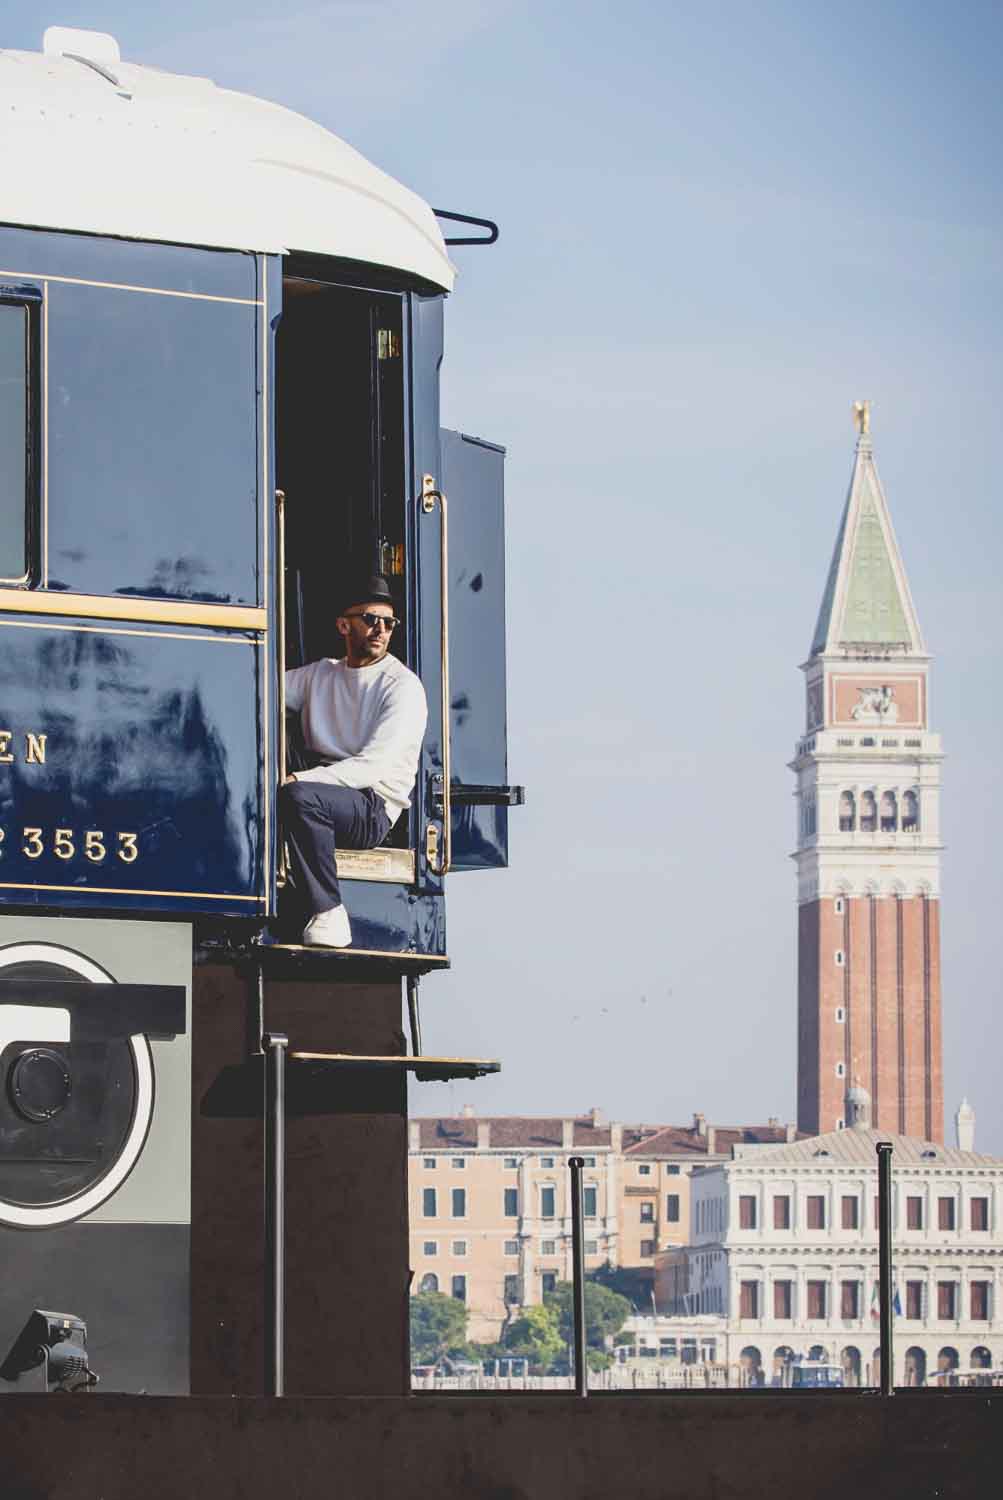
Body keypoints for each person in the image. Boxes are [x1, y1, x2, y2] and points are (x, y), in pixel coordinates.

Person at [279, 574, 427, 947]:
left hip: (371, 805)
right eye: (370, 619)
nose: (381, 629)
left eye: (389, 623)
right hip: (324, 787)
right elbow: (261, 689)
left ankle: (329, 912)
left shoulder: (401, 686)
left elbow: (372, 767)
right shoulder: (321, 674)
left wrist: (297, 779)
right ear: (344, 625)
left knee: (301, 797)